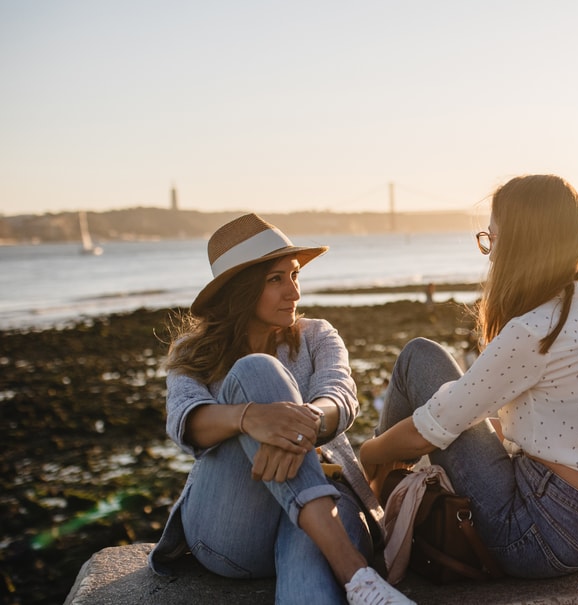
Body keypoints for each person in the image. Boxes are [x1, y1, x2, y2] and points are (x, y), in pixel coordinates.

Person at [358, 174, 578, 580]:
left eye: (492, 240)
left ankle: (364, 503)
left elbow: (429, 432)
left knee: (419, 358)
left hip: (535, 540)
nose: (490, 257)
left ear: (521, 244)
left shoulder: (537, 328)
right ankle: (374, 495)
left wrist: (366, 454)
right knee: (457, 403)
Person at [148, 214, 413, 605]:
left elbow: (340, 396)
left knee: (312, 522)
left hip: (321, 513)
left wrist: (300, 423)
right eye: (276, 279)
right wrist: (249, 419)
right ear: (241, 290)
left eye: (294, 276)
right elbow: (186, 420)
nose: (294, 292)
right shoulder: (193, 353)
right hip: (232, 529)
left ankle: (364, 590)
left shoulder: (317, 335)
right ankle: (355, 571)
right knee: (256, 370)